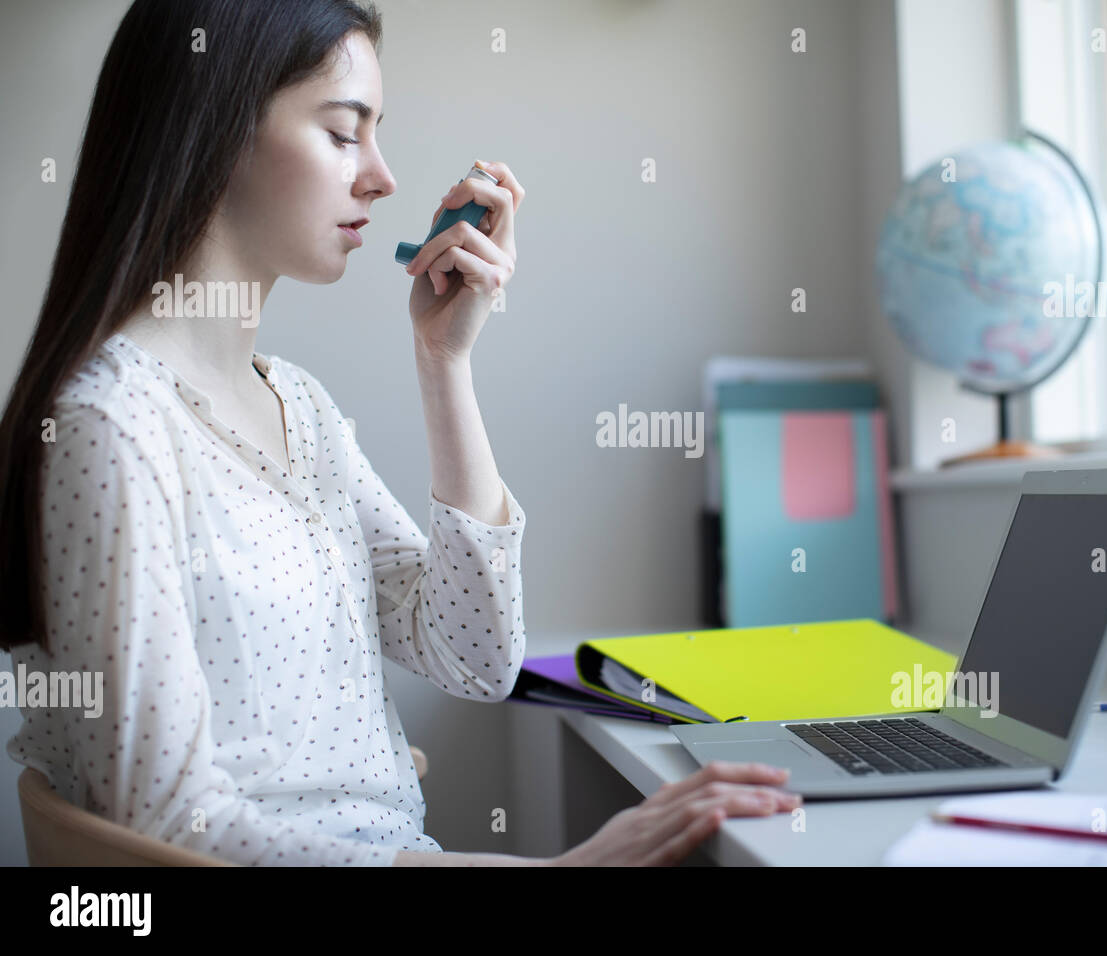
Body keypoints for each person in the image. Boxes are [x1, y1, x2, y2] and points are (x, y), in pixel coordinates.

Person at [0, 0, 800, 866]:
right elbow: (167, 824)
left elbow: (475, 656)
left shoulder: (298, 409)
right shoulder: (109, 428)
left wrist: (443, 362)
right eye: (345, 134)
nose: (382, 177)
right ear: (214, 127)